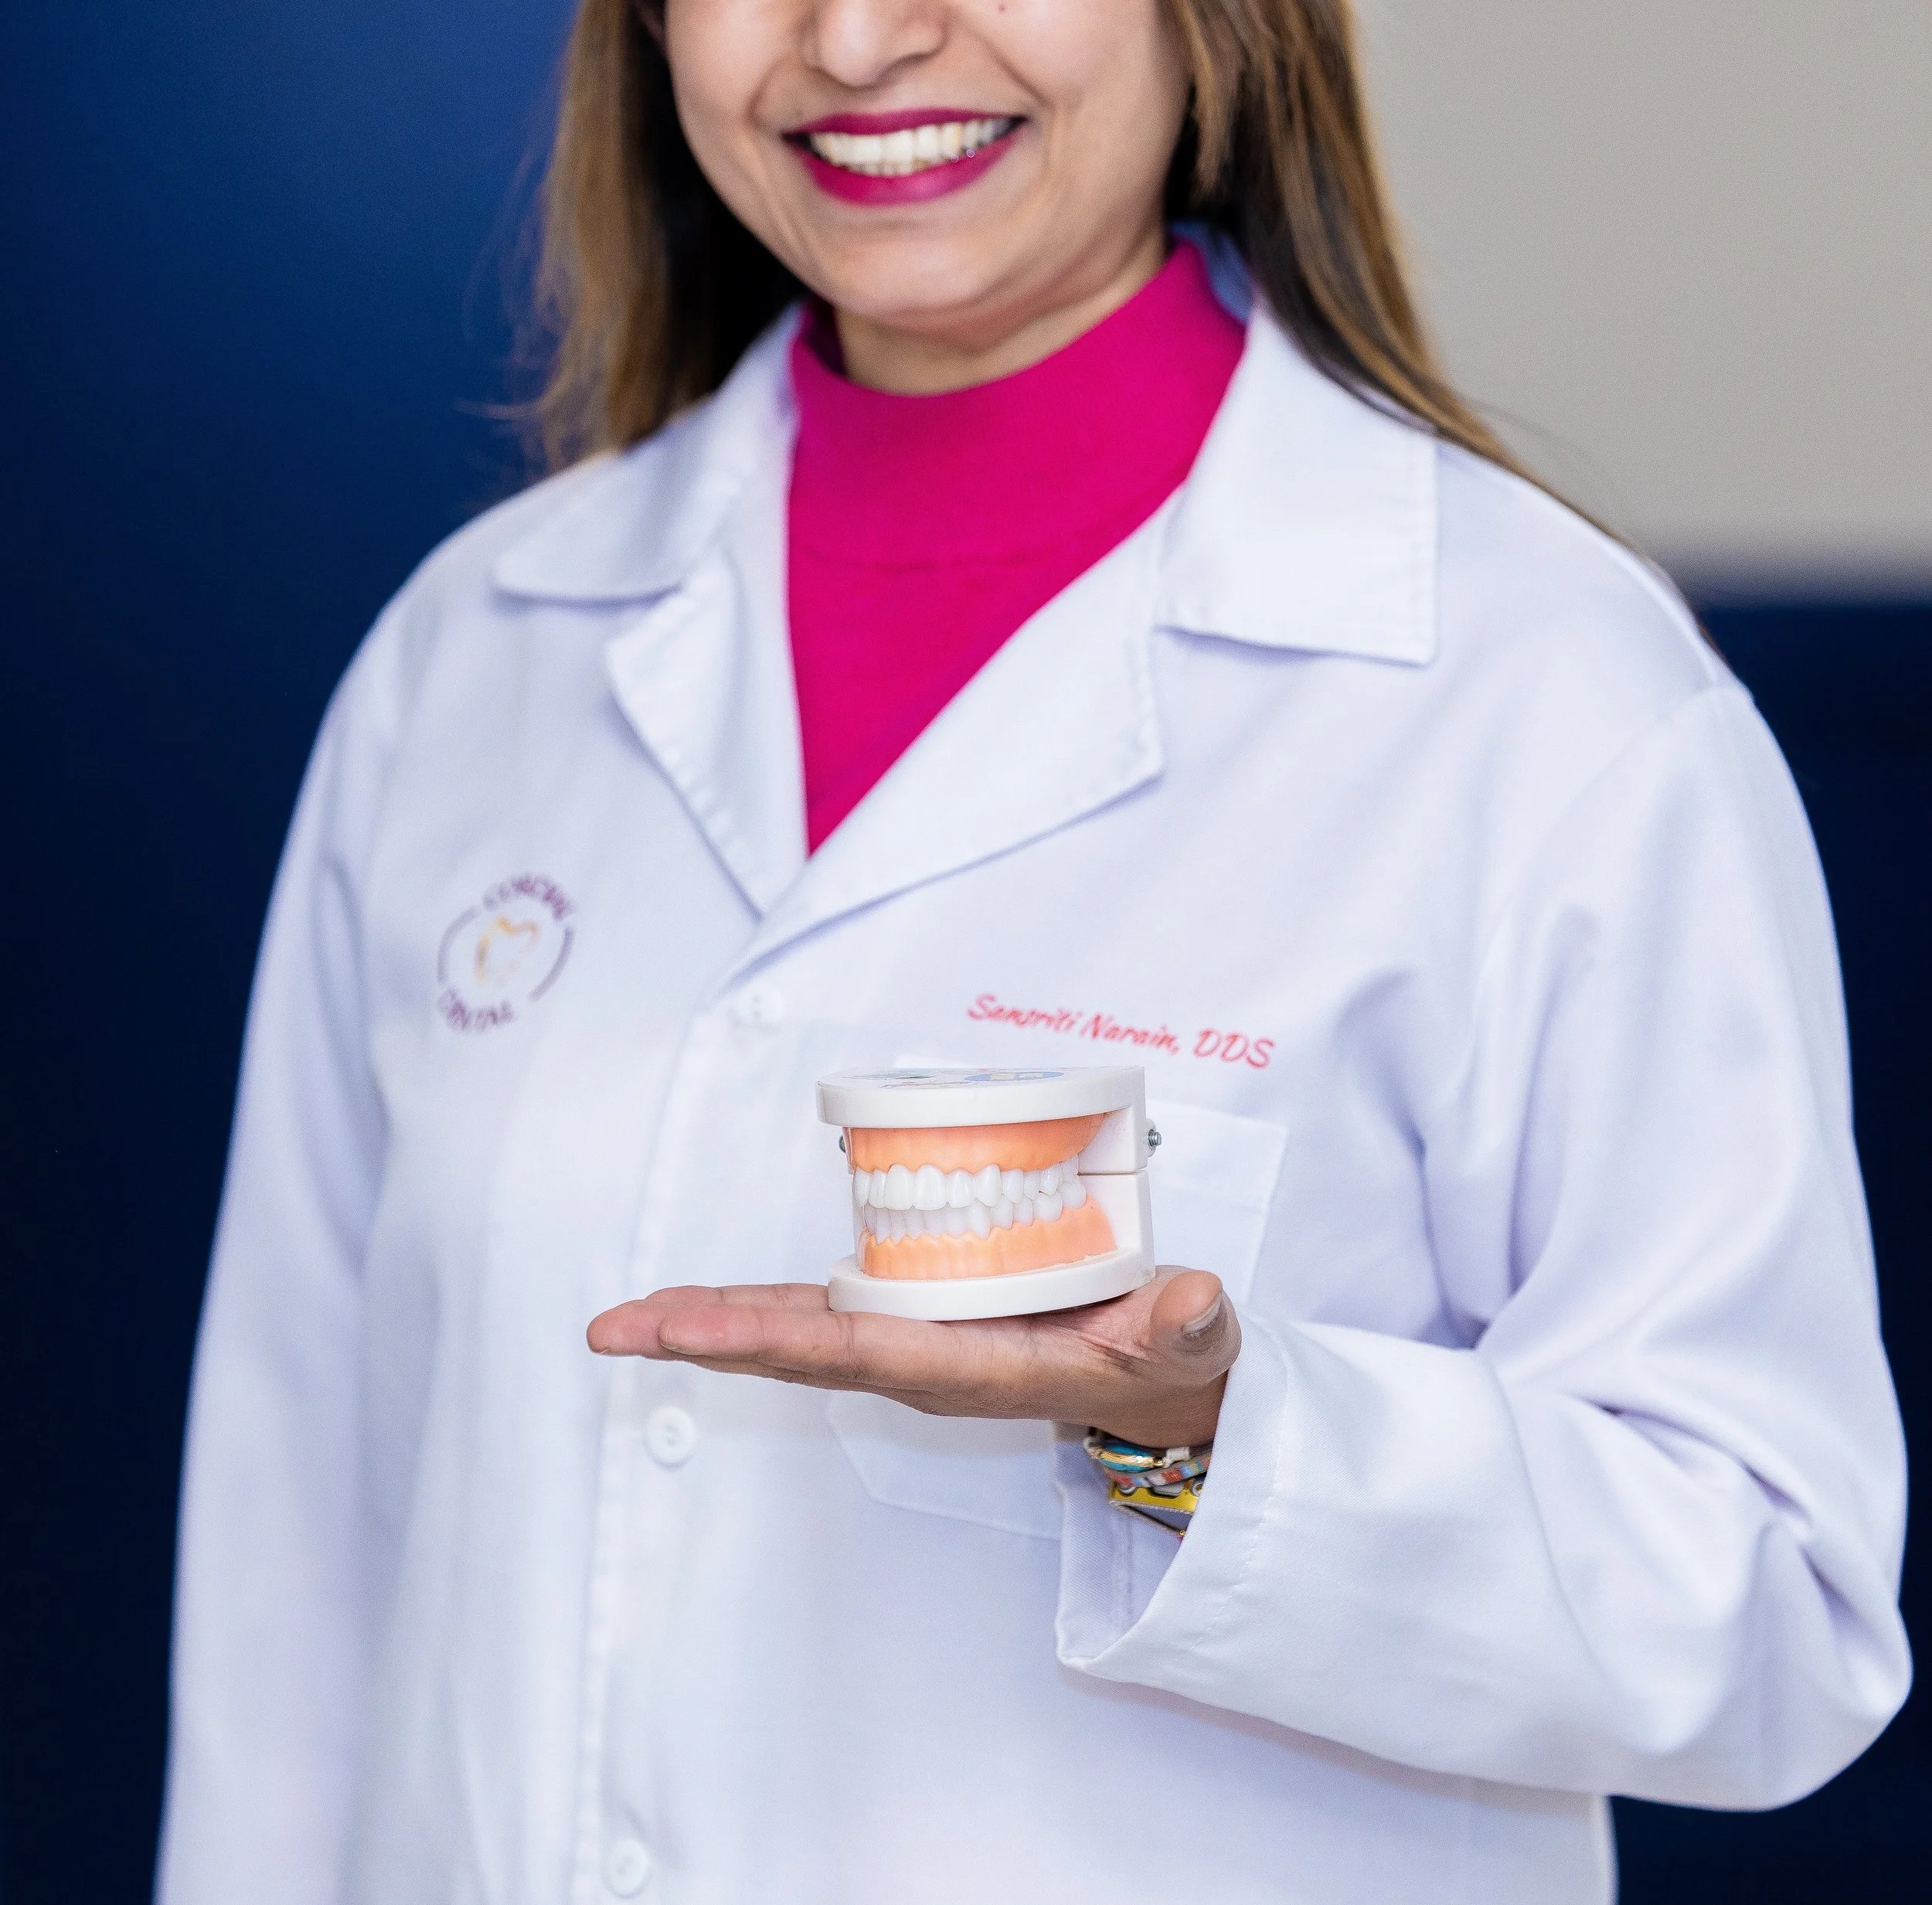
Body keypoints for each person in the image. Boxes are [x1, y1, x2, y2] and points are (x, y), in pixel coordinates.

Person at [157, 2, 1910, 1900]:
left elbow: (1768, 1606)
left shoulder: (1547, 696)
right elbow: (291, 1594)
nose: (856, 40)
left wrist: (1202, 1438)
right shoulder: (474, 655)